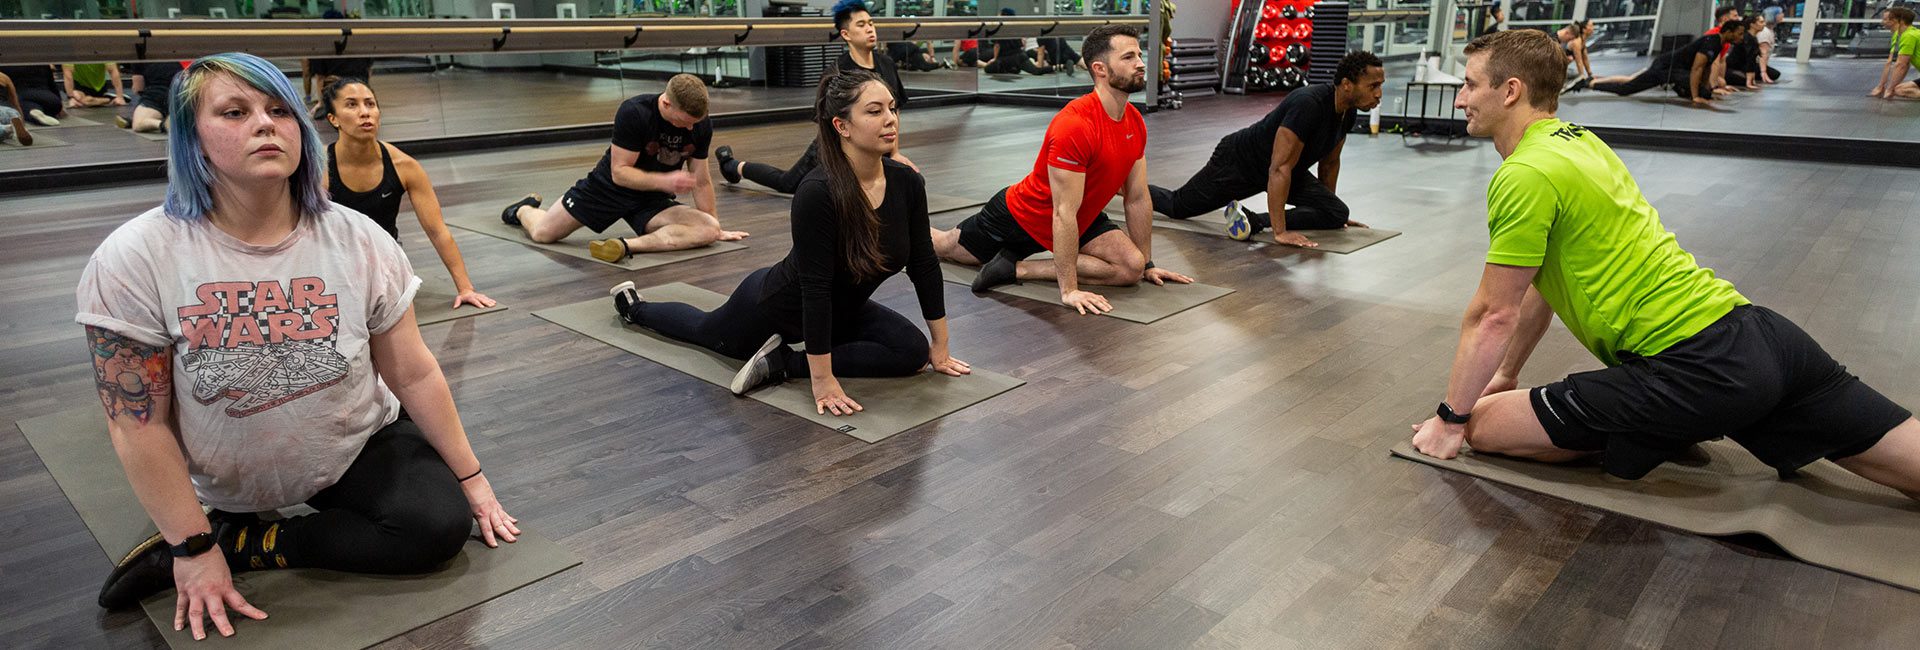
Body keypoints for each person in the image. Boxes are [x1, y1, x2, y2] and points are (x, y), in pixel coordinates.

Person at [77, 53, 519, 640]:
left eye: (280, 110)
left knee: (437, 527)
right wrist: (190, 546)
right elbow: (137, 423)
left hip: (351, 445)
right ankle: (218, 532)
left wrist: (473, 479)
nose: (265, 124)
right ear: (192, 139)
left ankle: (246, 545)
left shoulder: (358, 238)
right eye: (235, 112)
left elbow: (412, 374)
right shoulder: (134, 257)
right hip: (225, 474)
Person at [1412, 30, 1920, 504]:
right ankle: (1668, 422)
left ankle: (1659, 428)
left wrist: (1452, 420)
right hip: (1762, 337)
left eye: (1470, 84)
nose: (1460, 98)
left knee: (1486, 426)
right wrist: (1505, 372)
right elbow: (1542, 285)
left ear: (1511, 91)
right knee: (1902, 458)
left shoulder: (1524, 173)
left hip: (1697, 370)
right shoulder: (1579, 141)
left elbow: (1493, 314)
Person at [612, 68, 969, 415]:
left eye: (892, 108)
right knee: (706, 332)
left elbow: (923, 264)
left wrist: (941, 347)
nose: (890, 119)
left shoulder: (907, 183)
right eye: (874, 111)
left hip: (843, 309)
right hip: (777, 305)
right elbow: (815, 292)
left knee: (910, 351)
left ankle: (782, 361)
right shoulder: (818, 191)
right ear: (841, 126)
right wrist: (823, 379)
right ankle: (634, 306)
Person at [931, 25, 1194, 315]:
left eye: (1139, 54)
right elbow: (1062, 211)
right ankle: (888, 225)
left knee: (1130, 268)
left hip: (1083, 216)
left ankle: (1014, 268)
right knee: (942, 246)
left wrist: (1147, 264)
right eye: (1129, 57)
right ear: (1100, 69)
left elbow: (1137, 197)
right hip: (1022, 215)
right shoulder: (1075, 124)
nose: (1141, 63)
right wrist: (1068, 290)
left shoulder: (1134, 122)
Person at [1146, 51, 1384, 248]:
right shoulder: (1308, 104)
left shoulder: (1347, 113)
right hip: (1239, 162)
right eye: (1373, 86)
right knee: (1177, 206)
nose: (1378, 94)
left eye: (1381, 85)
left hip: (1286, 171)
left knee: (1337, 213)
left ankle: (1252, 220)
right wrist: (1280, 232)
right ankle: (1120, 184)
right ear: (1346, 85)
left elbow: (1330, 163)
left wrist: (1326, 209)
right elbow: (1278, 168)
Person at [500, 73, 746, 262]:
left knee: (708, 229)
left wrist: (715, 225)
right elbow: (620, 173)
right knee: (544, 234)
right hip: (607, 190)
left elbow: (701, 181)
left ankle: (624, 245)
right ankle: (523, 209)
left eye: (696, 123)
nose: (691, 129)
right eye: (685, 123)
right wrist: (665, 182)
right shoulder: (635, 112)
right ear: (667, 103)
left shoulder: (700, 125)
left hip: (652, 201)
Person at [322, 78, 495, 310]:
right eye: (352, 105)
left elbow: (437, 230)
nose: (365, 113)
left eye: (370, 104)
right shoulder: (318, 168)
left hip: (383, 257)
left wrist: (465, 289)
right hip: (335, 258)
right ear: (333, 119)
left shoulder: (404, 165)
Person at [715, 0, 919, 194]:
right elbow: (826, 122)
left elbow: (895, 111)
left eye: (871, 23)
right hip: (833, 145)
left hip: (874, 145)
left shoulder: (887, 65)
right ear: (846, 34)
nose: (869, 29)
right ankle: (732, 165)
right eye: (861, 24)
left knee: (912, 181)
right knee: (787, 183)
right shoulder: (837, 72)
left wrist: (894, 153)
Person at [1583, 20, 1746, 105]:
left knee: (1705, 93)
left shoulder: (1719, 43)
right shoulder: (1711, 42)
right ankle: (1589, 84)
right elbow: (1697, 69)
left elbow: (1707, 68)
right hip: (1664, 68)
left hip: (1675, 69)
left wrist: (1707, 89)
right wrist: (1696, 97)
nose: (1741, 37)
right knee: (1626, 89)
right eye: (1739, 34)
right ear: (1729, 32)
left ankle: (1681, 88)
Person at [118, 61, 189, 133]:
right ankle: (171, 119)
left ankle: (161, 124)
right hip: (181, 95)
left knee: (137, 124)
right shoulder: (177, 52)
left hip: (155, 96)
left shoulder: (139, 56)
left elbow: (138, 88)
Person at [1871, 7, 1920, 99]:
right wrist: (1881, 86)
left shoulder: (1909, 36)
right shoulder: (1897, 35)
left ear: (1900, 21)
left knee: (1896, 89)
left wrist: (1889, 89)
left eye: (1887, 19)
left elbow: (1902, 65)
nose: (1883, 22)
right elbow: (1891, 63)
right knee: (1899, 89)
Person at [1724, 15, 1781, 88]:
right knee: (1742, 80)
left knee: (1775, 74)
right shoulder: (1747, 38)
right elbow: (1749, 58)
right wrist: (1749, 81)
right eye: (1761, 22)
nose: (1764, 24)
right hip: (1735, 66)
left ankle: (1746, 76)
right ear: (1752, 25)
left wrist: (1753, 78)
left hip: (1744, 65)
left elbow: (1753, 59)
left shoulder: (1753, 38)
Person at [0, 64, 64, 125]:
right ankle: (36, 109)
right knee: (52, 105)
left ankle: (32, 111)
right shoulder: (37, 58)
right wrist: (60, 101)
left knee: (16, 103)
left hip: (20, 94)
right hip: (49, 97)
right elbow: (51, 82)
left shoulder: (6, 62)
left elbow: (8, 87)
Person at [63, 63, 127, 108]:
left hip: (99, 86)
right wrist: (71, 98)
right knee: (85, 101)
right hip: (78, 85)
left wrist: (120, 97)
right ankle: (109, 99)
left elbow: (113, 71)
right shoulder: (72, 51)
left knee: (89, 101)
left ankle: (104, 99)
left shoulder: (103, 49)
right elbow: (67, 74)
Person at [1555, 20, 1595, 90]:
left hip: (1562, 67)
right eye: (1591, 26)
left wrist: (1590, 74)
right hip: (1557, 68)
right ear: (1584, 29)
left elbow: (1585, 59)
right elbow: (1579, 61)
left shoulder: (1582, 41)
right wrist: (1582, 78)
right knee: (1575, 76)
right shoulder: (1577, 42)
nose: (1593, 28)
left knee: (1575, 75)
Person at [0, 70, 33, 146]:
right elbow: (15, 102)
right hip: (8, 111)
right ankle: (16, 127)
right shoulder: (4, 77)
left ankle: (8, 129)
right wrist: (22, 120)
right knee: (13, 114)